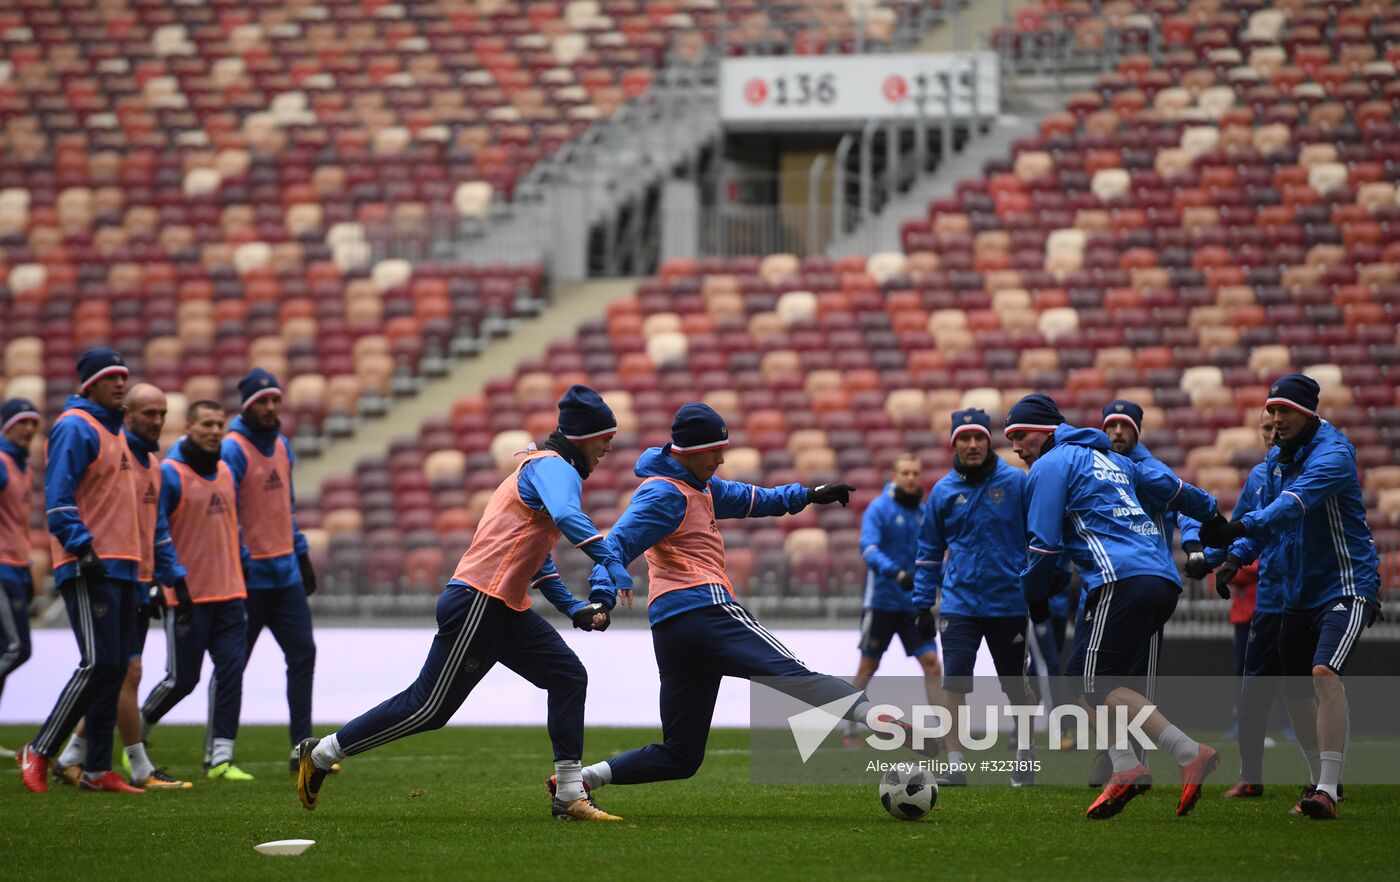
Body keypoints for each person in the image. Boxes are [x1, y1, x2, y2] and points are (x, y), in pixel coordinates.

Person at [295, 386, 633, 821]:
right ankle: (320, 754)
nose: (609, 448)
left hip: (501, 606)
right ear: (586, 437)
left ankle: (569, 794)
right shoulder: (555, 468)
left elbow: (538, 562)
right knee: (428, 708)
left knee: (567, 676)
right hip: (480, 601)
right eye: (607, 438)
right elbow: (568, 519)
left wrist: (573, 608)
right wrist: (611, 560)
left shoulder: (543, 470)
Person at [572, 403, 880, 800]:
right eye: (715, 451)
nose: (721, 458)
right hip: (707, 610)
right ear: (689, 452)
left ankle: (584, 779)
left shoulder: (700, 485)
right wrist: (603, 595)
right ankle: (888, 721)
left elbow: (753, 499)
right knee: (796, 676)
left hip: (672, 629)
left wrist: (807, 495)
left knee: (681, 755)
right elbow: (614, 543)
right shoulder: (664, 494)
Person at [1005, 393, 1223, 819]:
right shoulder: (1116, 460)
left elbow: (1044, 549)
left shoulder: (1050, 465)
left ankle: (1188, 751)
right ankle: (1126, 766)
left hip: (1120, 578)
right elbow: (1169, 487)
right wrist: (1212, 515)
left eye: (1020, 434)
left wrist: (1033, 598)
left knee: (1096, 685)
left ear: (1046, 430)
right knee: (1079, 678)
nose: (1015, 446)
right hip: (1158, 577)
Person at [1201, 375, 1380, 819]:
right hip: (1296, 592)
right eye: (1272, 412)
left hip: (1346, 584)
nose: (1276, 420)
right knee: (1296, 692)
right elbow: (1271, 525)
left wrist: (1239, 530)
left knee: (1323, 672)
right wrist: (1234, 558)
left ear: (1307, 414)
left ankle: (1326, 788)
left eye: (1284, 412)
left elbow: (1293, 505)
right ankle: (1318, 779)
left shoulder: (1334, 455)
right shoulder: (1275, 463)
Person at [53, 383, 194, 790]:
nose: (157, 422)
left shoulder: (152, 463)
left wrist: (172, 578)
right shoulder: (113, 454)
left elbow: (157, 531)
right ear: (126, 415)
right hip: (108, 575)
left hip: (138, 580)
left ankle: (73, 757)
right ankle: (137, 765)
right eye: (149, 413)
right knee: (121, 672)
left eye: (162, 414)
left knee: (118, 674)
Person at [20, 349, 146, 793]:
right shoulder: (76, 426)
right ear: (88, 384)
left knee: (113, 669)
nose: (120, 383)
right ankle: (39, 749)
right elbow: (58, 496)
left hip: (124, 566)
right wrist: (82, 547)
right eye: (111, 377)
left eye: (123, 376)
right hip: (92, 563)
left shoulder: (116, 433)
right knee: (97, 663)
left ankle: (96, 769)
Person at [912, 408, 1036, 787]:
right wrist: (921, 602)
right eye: (964, 438)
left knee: (1015, 684)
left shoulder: (1017, 484)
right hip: (959, 604)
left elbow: (1041, 535)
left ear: (988, 441)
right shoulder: (944, 492)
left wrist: (1045, 582)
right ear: (955, 443)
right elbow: (929, 551)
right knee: (954, 682)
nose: (972, 444)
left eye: (978, 437)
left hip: (1009, 602)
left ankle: (1025, 755)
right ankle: (955, 763)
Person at [141, 400, 253, 780]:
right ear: (188, 426)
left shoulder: (225, 470)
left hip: (231, 593)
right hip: (189, 596)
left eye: (220, 423)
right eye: (207, 423)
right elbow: (156, 533)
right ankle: (135, 734)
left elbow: (232, 525)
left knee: (231, 673)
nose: (215, 430)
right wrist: (167, 579)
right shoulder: (170, 474)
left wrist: (243, 558)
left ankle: (220, 758)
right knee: (181, 681)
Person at [221, 369, 318, 772]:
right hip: (250, 578)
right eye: (262, 401)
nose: (271, 406)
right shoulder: (232, 449)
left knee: (303, 654)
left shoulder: (281, 445)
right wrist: (241, 559)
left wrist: (301, 554)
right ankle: (220, 750)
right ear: (247, 405)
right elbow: (227, 514)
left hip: (284, 576)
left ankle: (303, 749)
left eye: (275, 399)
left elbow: (285, 509)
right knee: (233, 662)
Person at [1201, 409, 1291, 798]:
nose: (1272, 434)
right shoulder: (1259, 477)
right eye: (1266, 428)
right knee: (1253, 686)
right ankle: (1250, 774)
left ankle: (1325, 781)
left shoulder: (1316, 471)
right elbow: (1240, 533)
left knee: (1311, 683)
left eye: (1278, 427)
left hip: (1305, 594)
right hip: (1265, 598)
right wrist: (1211, 560)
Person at [847, 452, 940, 742]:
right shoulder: (880, 509)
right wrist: (896, 572)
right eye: (905, 473)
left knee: (932, 664)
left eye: (915, 473)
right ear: (895, 477)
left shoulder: (924, 513)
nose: (911, 478)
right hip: (882, 602)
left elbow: (936, 554)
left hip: (914, 604)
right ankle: (849, 725)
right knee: (868, 665)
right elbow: (869, 548)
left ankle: (944, 727)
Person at [0, 398, 41, 759]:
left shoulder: (22, 469)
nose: (29, 429)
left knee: (4, 649)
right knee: (17, 649)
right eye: (22, 422)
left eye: (33, 423)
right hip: (1, 567)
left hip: (15, 565)